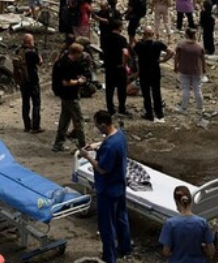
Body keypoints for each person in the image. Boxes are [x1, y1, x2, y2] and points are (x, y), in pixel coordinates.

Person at [80, 111, 132, 263]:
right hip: (119, 184)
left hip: (107, 189)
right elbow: (108, 144)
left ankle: (110, 257)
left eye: (96, 125)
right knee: (121, 217)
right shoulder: (119, 136)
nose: (96, 128)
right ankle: (125, 247)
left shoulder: (110, 147)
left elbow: (102, 168)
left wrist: (87, 156)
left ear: (103, 125)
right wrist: (96, 147)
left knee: (107, 226)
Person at [159, 185, 217, 262]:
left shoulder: (170, 224)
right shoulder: (202, 222)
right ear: (191, 201)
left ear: (176, 203)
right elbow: (211, 251)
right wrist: (203, 248)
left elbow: (166, 252)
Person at [52, 42, 92, 152]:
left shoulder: (63, 59)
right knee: (78, 120)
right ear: (76, 53)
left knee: (64, 119)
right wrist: (79, 81)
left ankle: (58, 143)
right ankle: (83, 146)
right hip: (70, 95)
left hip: (63, 94)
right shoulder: (68, 65)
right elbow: (66, 82)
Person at [134, 26, 172, 122]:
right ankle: (159, 113)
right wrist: (163, 60)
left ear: (144, 34)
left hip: (144, 71)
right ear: (153, 34)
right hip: (155, 70)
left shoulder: (140, 45)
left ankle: (149, 113)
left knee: (146, 93)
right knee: (156, 91)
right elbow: (171, 52)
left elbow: (133, 54)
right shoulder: (158, 44)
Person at [15, 34, 44, 133]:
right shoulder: (32, 53)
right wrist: (38, 53)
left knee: (25, 103)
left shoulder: (19, 51)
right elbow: (40, 62)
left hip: (23, 81)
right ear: (29, 41)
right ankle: (36, 126)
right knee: (36, 103)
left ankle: (27, 125)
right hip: (33, 81)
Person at [101, 23, 131, 116]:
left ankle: (110, 109)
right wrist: (124, 64)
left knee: (109, 89)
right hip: (119, 67)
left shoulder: (105, 38)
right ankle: (122, 108)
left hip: (109, 67)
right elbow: (125, 53)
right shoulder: (122, 39)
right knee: (121, 89)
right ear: (119, 28)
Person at [174, 27, 206, 114]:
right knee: (197, 89)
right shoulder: (199, 46)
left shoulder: (181, 45)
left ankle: (183, 108)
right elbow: (203, 59)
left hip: (184, 70)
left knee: (185, 89)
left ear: (187, 34)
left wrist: (175, 66)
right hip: (196, 70)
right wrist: (203, 68)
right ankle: (200, 108)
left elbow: (176, 57)